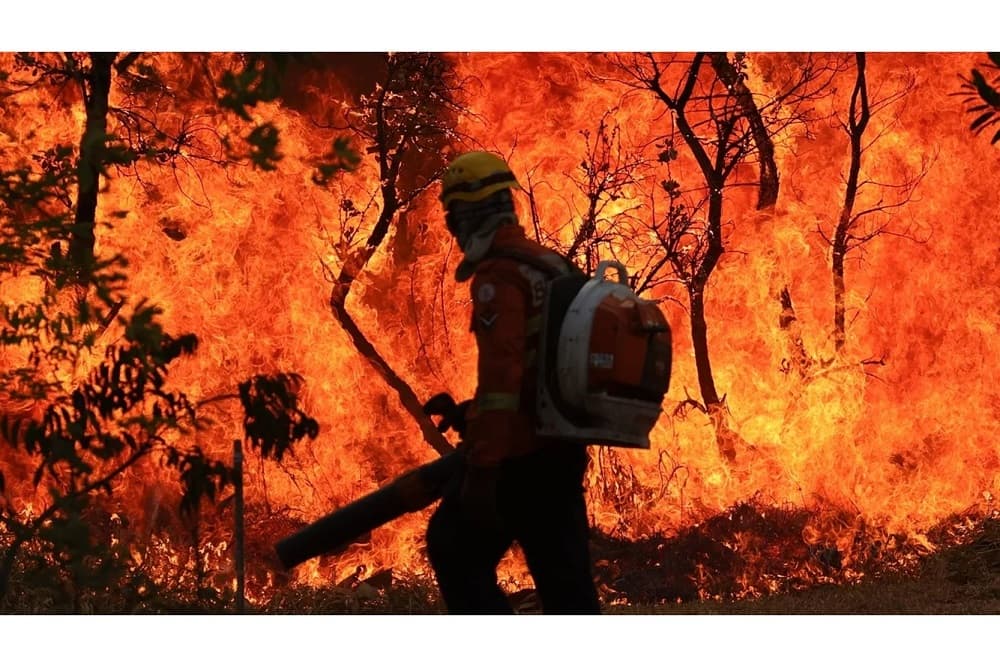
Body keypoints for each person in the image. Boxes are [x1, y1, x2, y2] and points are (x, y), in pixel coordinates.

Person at [425, 151, 601, 614]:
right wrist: (470, 413)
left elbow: (504, 378)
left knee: (452, 546)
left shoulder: (498, 277)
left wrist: (482, 474)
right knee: (569, 594)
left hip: (520, 460)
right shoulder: (549, 265)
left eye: (454, 218)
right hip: (562, 449)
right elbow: (538, 368)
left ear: (464, 216)